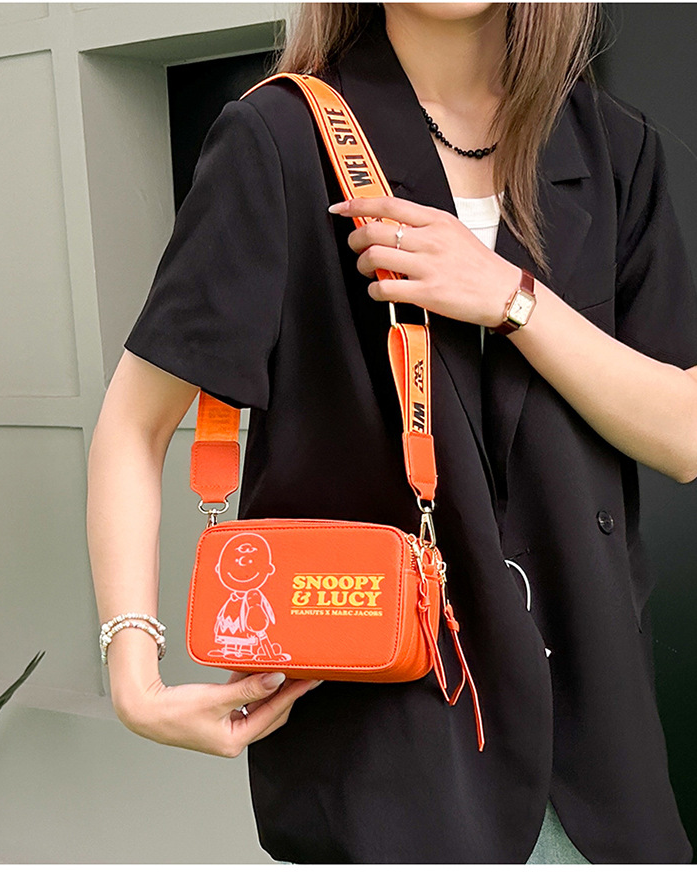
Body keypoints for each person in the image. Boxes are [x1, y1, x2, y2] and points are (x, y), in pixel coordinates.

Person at [86, 2, 697, 863]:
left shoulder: (613, 146)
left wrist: (510, 298)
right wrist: (132, 674)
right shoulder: (280, 139)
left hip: (600, 751)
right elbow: (133, 424)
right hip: (391, 759)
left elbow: (684, 434)